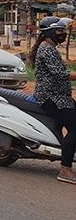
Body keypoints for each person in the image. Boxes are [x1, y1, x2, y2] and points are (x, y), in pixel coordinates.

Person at [29, 16, 76, 185]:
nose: (62, 33)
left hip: (60, 96)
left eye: (63, 30)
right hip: (52, 97)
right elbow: (59, 75)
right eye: (59, 30)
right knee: (74, 129)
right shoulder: (47, 50)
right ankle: (65, 169)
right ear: (49, 32)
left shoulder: (50, 48)